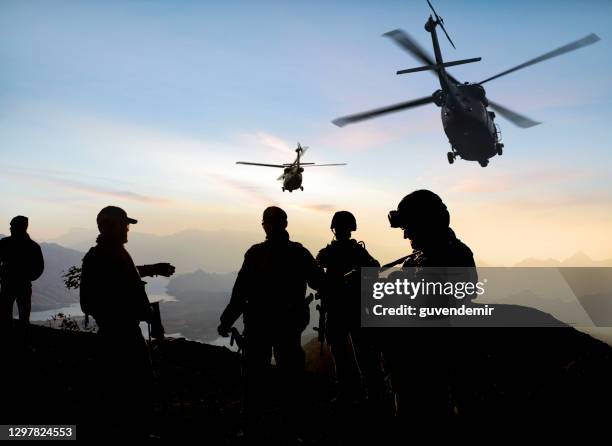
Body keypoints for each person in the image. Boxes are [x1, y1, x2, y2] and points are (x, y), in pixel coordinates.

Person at [217, 206, 324, 439]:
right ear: (285, 224)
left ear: (265, 225)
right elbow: (320, 283)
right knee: (291, 378)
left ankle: (253, 428)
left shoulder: (255, 254)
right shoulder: (299, 253)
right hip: (289, 326)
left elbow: (239, 294)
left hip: (258, 326)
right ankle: (292, 428)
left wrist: (226, 322)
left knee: (254, 379)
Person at [79, 205, 175, 438]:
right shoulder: (108, 255)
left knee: (123, 386)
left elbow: (123, 275)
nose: (128, 228)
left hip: (116, 332)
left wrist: (152, 269)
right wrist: (134, 311)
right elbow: (114, 287)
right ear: (111, 226)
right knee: (136, 385)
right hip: (121, 335)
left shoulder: (107, 254)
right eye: (124, 224)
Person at [384, 190, 477, 421]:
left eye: (409, 226)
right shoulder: (419, 258)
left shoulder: (454, 255)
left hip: (433, 366)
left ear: (426, 223)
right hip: (410, 365)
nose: (405, 235)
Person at [316, 211, 383, 405]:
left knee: (357, 355)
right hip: (346, 309)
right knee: (351, 354)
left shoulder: (347, 251)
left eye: (340, 228)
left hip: (348, 309)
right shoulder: (346, 251)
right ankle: (365, 393)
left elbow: (374, 268)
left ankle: (365, 393)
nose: (340, 232)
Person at [0, 216, 44, 331]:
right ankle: (22, 341)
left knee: (8, 315)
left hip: (9, 285)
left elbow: (39, 268)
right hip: (21, 286)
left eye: (12, 226)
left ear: (19, 227)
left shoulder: (4, 243)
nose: (10, 228)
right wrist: (28, 277)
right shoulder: (33, 246)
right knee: (21, 317)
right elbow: (39, 268)